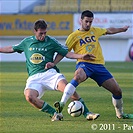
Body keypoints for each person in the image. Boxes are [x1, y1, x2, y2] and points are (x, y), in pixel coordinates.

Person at [0, 19, 100, 121]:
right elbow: (11, 48)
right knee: (29, 97)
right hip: (34, 78)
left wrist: (82, 56)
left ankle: (87, 113)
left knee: (68, 88)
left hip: (50, 74)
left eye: (45, 33)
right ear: (35, 31)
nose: (43, 36)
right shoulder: (27, 42)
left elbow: (67, 53)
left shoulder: (51, 41)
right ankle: (55, 114)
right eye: (40, 33)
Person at [53, 10, 133, 119]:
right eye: (86, 21)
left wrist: (122, 29)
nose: (88, 24)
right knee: (78, 76)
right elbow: (64, 52)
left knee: (117, 90)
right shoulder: (73, 36)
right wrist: (53, 63)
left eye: (90, 22)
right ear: (81, 20)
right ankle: (62, 103)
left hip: (99, 66)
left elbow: (109, 30)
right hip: (84, 64)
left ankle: (120, 114)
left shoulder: (95, 30)